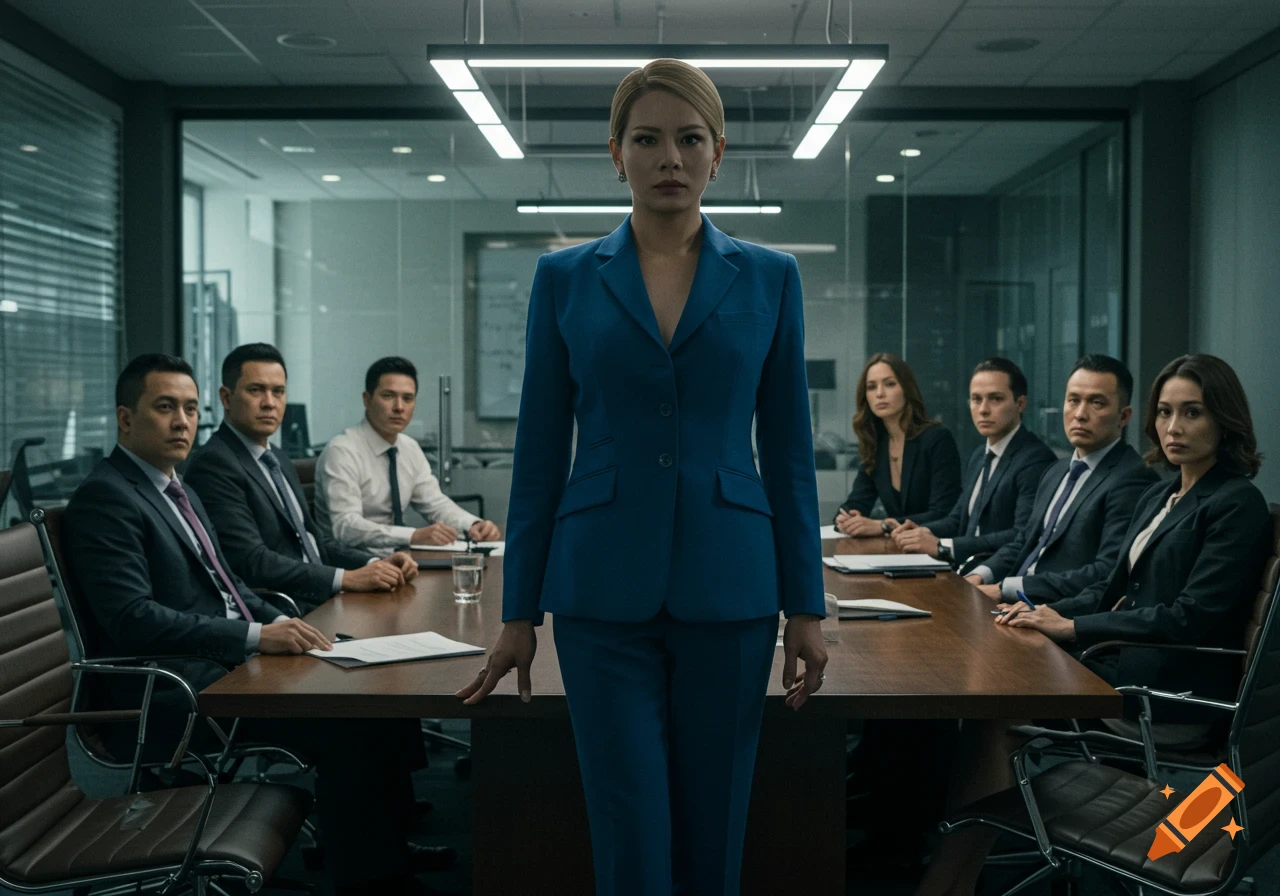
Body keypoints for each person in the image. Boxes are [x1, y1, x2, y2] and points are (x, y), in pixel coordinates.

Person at [455, 59, 828, 896]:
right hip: (600, 589)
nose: (670, 158)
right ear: (615, 153)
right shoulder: (563, 277)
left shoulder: (771, 276)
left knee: (716, 829)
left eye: (690, 139)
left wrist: (805, 604)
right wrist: (518, 612)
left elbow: (789, 452)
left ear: (718, 154)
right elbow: (540, 455)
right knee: (628, 832)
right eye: (648, 139)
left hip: (731, 584)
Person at [63, 354, 452, 896]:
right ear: (125, 418)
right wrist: (254, 637)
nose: (182, 421)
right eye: (165, 407)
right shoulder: (107, 498)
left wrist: (282, 622)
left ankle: (383, 849)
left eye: (190, 409)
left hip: (225, 663)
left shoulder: (173, 487)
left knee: (375, 687)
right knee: (353, 718)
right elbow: (133, 620)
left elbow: (229, 585)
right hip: (175, 691)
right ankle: (374, 881)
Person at [917, 353, 1270, 896]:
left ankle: (949, 879)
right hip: (1120, 668)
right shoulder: (1162, 493)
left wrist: (1074, 630)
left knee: (994, 716)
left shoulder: (1235, 502)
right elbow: (1108, 589)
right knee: (990, 694)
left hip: (1164, 697)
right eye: (1165, 412)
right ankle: (953, 870)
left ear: (1225, 421)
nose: (1174, 427)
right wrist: (1050, 616)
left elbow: (1191, 617)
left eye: (1193, 413)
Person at [184, 343, 419, 611]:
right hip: (287, 611)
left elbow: (316, 542)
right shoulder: (215, 464)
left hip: (322, 598)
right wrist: (346, 579)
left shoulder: (277, 458)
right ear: (226, 398)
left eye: (278, 391)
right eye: (256, 390)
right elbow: (251, 561)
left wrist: (374, 563)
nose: (269, 403)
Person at [965, 354, 1158, 603]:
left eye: (1096, 403)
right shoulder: (1056, 470)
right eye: (1073, 400)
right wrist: (980, 575)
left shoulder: (1134, 479)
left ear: (1123, 416)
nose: (1080, 414)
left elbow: (1106, 572)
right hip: (1010, 603)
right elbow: (1024, 541)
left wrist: (1006, 588)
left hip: (1054, 611)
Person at [316, 355, 501, 552]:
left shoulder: (409, 447)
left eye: (407, 398)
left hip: (401, 558)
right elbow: (345, 526)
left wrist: (472, 525)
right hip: (354, 563)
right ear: (367, 400)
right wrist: (413, 536)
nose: (399, 407)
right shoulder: (342, 451)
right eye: (388, 396)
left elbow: (435, 504)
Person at [893, 358, 1056, 567]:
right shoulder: (980, 455)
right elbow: (958, 520)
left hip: (996, 575)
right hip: (962, 569)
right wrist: (920, 531)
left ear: (1020, 404)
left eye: (995, 399)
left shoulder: (1036, 459)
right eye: (976, 399)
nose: (983, 409)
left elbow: (1021, 534)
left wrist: (944, 546)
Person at [834, 353, 961, 536]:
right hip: (897, 547)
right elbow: (857, 502)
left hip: (936, 545)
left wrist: (884, 525)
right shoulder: (876, 445)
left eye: (890, 384)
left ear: (907, 389)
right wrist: (846, 518)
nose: (879, 393)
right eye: (871, 387)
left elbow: (944, 513)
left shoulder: (937, 438)